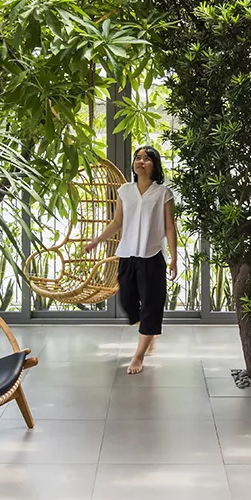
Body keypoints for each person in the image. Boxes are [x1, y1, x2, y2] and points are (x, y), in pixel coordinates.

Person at [85, 145, 179, 374]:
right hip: (127, 255)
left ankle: (139, 356)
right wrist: (96, 241)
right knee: (128, 302)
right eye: (138, 158)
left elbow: (169, 227)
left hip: (152, 257)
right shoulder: (125, 191)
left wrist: (174, 259)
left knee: (151, 307)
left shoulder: (163, 193)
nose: (140, 162)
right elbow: (117, 222)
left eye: (146, 159)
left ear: (154, 165)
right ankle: (148, 332)